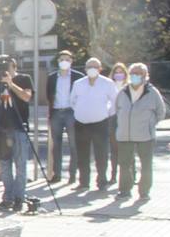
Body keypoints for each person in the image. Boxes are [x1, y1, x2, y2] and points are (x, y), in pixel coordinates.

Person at [0, 55, 34, 212]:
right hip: (1, 129)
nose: (4, 68)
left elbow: (26, 97)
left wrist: (10, 84)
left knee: (20, 165)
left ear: (14, 65)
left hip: (18, 127)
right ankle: (8, 197)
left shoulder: (24, 78)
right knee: (4, 165)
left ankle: (19, 197)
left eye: (7, 65)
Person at [114, 62, 164, 201]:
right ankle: (124, 190)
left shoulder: (152, 92)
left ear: (145, 75)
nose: (135, 76)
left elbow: (161, 112)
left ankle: (144, 192)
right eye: (133, 73)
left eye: (139, 73)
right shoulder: (123, 91)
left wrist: (150, 125)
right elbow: (116, 109)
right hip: (124, 135)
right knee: (124, 165)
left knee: (146, 165)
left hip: (145, 136)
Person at [70, 57, 118, 192]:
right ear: (85, 69)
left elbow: (114, 102)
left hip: (100, 123)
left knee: (101, 154)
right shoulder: (78, 84)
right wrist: (80, 112)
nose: (92, 69)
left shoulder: (107, 83)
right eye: (89, 66)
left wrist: (106, 114)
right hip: (81, 123)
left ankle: (102, 181)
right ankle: (83, 182)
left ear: (100, 69)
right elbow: (72, 101)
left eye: (95, 67)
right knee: (82, 155)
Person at [45, 50, 82, 184]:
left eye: (67, 59)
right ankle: (57, 174)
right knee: (56, 145)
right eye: (61, 59)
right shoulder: (52, 77)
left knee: (73, 144)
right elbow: (49, 95)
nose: (64, 62)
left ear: (71, 61)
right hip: (56, 112)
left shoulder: (78, 77)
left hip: (71, 112)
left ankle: (72, 175)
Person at [108, 61, 127, 186]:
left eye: (121, 72)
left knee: (127, 149)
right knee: (114, 150)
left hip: (126, 119)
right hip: (113, 118)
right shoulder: (109, 85)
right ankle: (113, 175)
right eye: (116, 72)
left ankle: (131, 174)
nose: (118, 74)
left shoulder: (129, 86)